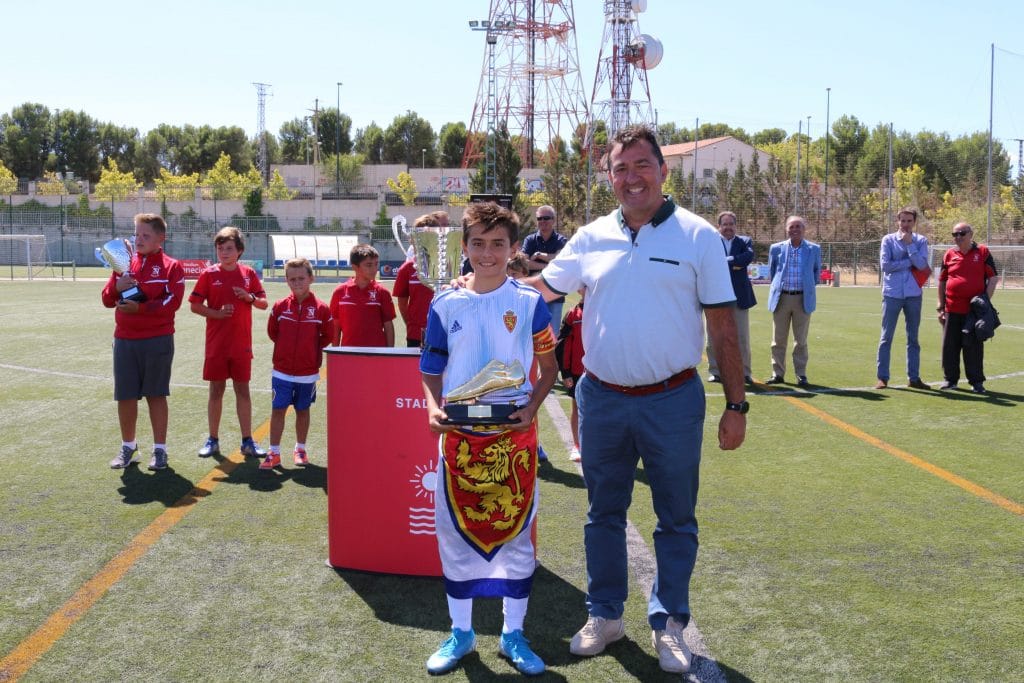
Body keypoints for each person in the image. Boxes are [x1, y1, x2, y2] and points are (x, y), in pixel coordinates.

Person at [498, 124, 746, 674]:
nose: (631, 177)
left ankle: (670, 623)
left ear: (663, 169)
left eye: (641, 165)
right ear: (609, 176)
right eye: (620, 168)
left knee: (676, 519)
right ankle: (605, 615)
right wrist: (478, 288)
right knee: (602, 514)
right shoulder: (589, 237)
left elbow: (724, 328)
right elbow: (540, 290)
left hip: (674, 400)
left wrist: (736, 404)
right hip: (602, 399)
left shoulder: (698, 235)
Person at [420, 201, 557, 676]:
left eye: (498, 243)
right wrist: (434, 407)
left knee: (517, 540)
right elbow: (430, 369)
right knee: (454, 537)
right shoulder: (445, 303)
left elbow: (551, 369)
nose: (487, 252)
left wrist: (532, 408)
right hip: (457, 444)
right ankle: (460, 634)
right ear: (464, 246)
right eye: (477, 243)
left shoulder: (529, 302)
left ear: (513, 247)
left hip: (512, 444)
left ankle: (512, 635)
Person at [103, 213, 185, 471]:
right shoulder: (124, 264)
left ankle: (160, 451)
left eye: (145, 235)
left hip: (158, 340)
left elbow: (173, 303)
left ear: (161, 238)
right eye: (136, 234)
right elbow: (106, 299)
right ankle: (129, 447)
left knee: (156, 395)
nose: (139, 239)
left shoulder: (172, 266)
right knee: (125, 396)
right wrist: (117, 286)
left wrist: (141, 309)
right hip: (125, 340)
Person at [189, 226, 269, 459]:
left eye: (229, 248)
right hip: (216, 345)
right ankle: (213, 439)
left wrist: (249, 297)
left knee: (242, 390)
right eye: (220, 248)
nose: (224, 252)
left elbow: (264, 303)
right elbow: (194, 305)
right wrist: (216, 313)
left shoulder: (248, 275)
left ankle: (247, 441)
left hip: (241, 344)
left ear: (239, 251)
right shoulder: (208, 274)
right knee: (216, 390)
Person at [263, 258, 333, 470]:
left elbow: (327, 336)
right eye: (292, 279)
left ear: (311, 278)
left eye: (301, 278)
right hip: (282, 372)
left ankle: (300, 449)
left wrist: (309, 353)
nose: (297, 283)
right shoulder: (280, 306)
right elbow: (273, 332)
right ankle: (274, 452)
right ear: (286, 281)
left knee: (303, 410)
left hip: (308, 373)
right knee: (278, 410)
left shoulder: (321, 309)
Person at [937, 222, 998, 393]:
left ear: (971, 234)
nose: (958, 237)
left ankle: (977, 382)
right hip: (951, 308)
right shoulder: (948, 254)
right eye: (954, 234)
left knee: (973, 347)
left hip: (973, 312)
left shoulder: (983, 252)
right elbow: (942, 281)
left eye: (961, 233)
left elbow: (993, 278)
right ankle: (950, 380)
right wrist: (940, 306)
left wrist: (984, 301)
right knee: (950, 346)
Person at [876, 208, 931, 390]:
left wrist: (909, 246)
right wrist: (909, 261)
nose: (906, 224)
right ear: (897, 221)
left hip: (913, 294)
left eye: (909, 221)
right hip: (892, 294)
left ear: (914, 222)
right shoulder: (888, 240)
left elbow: (922, 265)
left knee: (913, 338)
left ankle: (913, 378)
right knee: (886, 337)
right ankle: (882, 377)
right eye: (903, 221)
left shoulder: (921, 241)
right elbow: (886, 266)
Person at [766, 215, 822, 387]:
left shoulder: (814, 249)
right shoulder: (776, 248)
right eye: (791, 226)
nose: (795, 229)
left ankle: (801, 374)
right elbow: (772, 271)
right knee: (778, 340)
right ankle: (778, 373)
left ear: (804, 229)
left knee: (801, 340)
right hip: (781, 298)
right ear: (786, 229)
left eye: (798, 226)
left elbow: (816, 274)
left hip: (803, 299)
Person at [706, 211, 756, 385]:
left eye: (731, 224)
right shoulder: (711, 241)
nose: (728, 227)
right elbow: (709, 262)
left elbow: (747, 257)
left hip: (739, 297)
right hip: (716, 296)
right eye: (724, 224)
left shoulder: (745, 241)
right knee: (715, 336)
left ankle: (744, 372)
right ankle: (715, 371)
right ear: (719, 226)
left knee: (741, 337)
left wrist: (728, 260)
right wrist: (735, 263)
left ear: (736, 225)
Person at [329, 244, 396, 347]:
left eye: (376, 264)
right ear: (355, 267)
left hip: (376, 354)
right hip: (349, 354)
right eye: (369, 265)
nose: (374, 269)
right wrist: (335, 354)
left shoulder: (382, 292)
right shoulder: (340, 292)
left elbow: (388, 326)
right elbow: (336, 327)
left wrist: (389, 354)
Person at [393, 213, 439, 348]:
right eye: (420, 236)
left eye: (429, 236)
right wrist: (411, 324)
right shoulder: (407, 269)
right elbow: (402, 303)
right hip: (415, 334)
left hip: (443, 332)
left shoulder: (447, 267)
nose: (424, 241)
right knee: (413, 369)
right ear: (413, 239)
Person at [522, 205, 568, 325]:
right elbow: (524, 264)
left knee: (553, 335)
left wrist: (539, 255)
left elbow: (561, 262)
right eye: (539, 218)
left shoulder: (561, 240)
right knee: (532, 334)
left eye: (546, 218)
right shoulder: (530, 240)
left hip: (555, 295)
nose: (542, 221)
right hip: (533, 295)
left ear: (553, 220)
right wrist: (548, 267)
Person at [555, 289, 586, 462]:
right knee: (578, 409)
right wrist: (565, 372)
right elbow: (564, 345)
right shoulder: (573, 314)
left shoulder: (606, 312)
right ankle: (577, 445)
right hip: (577, 372)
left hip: (601, 373)